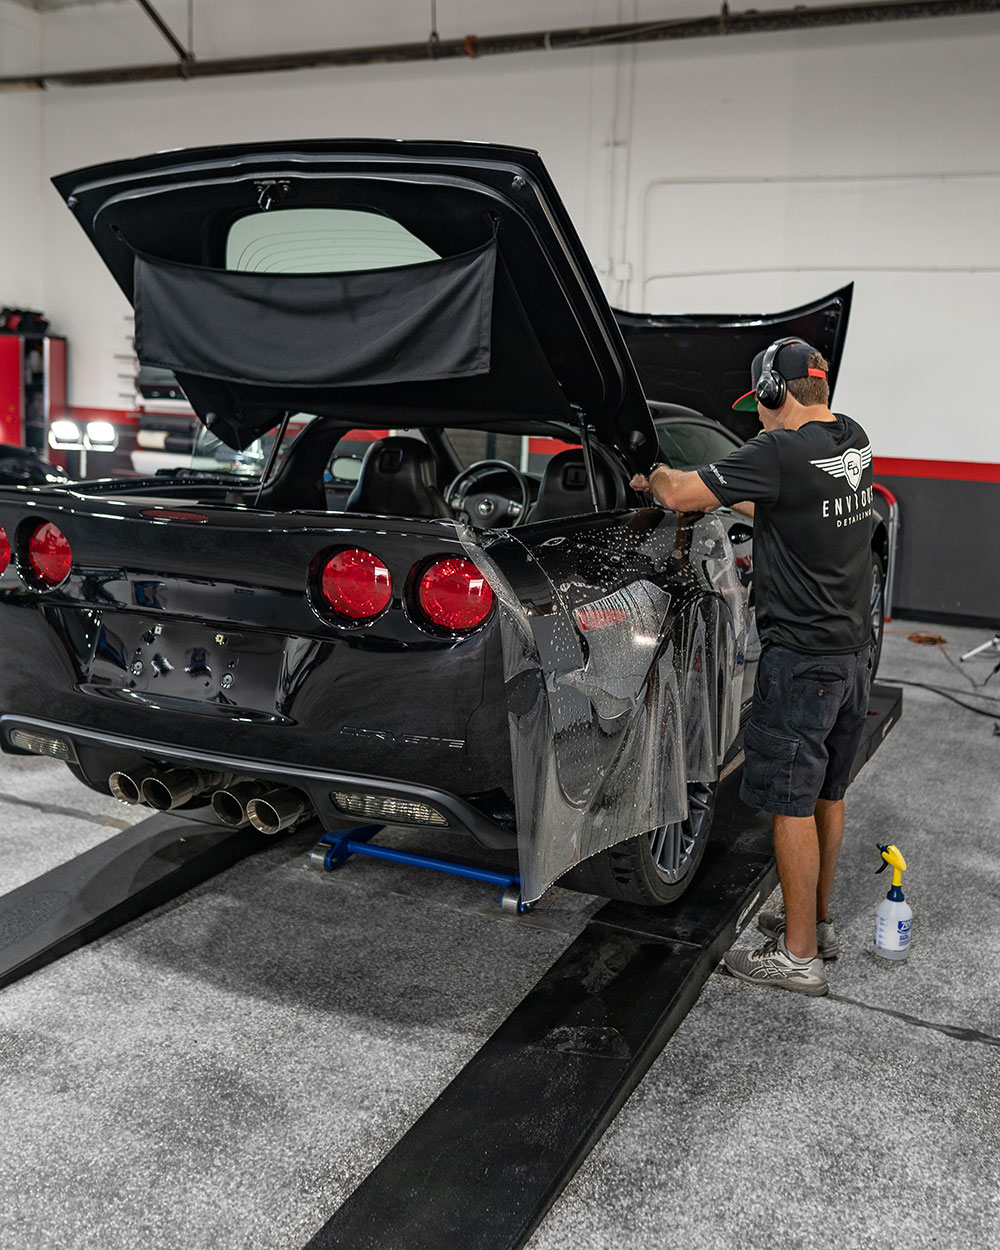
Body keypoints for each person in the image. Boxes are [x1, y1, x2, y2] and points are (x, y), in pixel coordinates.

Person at [630, 338, 874, 996]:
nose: (755, 419)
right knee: (827, 791)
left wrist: (655, 479)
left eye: (759, 407)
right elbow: (782, 504)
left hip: (802, 660)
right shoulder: (849, 441)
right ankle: (815, 923)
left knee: (789, 805)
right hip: (852, 654)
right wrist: (721, 496)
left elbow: (679, 490)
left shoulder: (777, 449)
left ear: (775, 393)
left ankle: (797, 958)